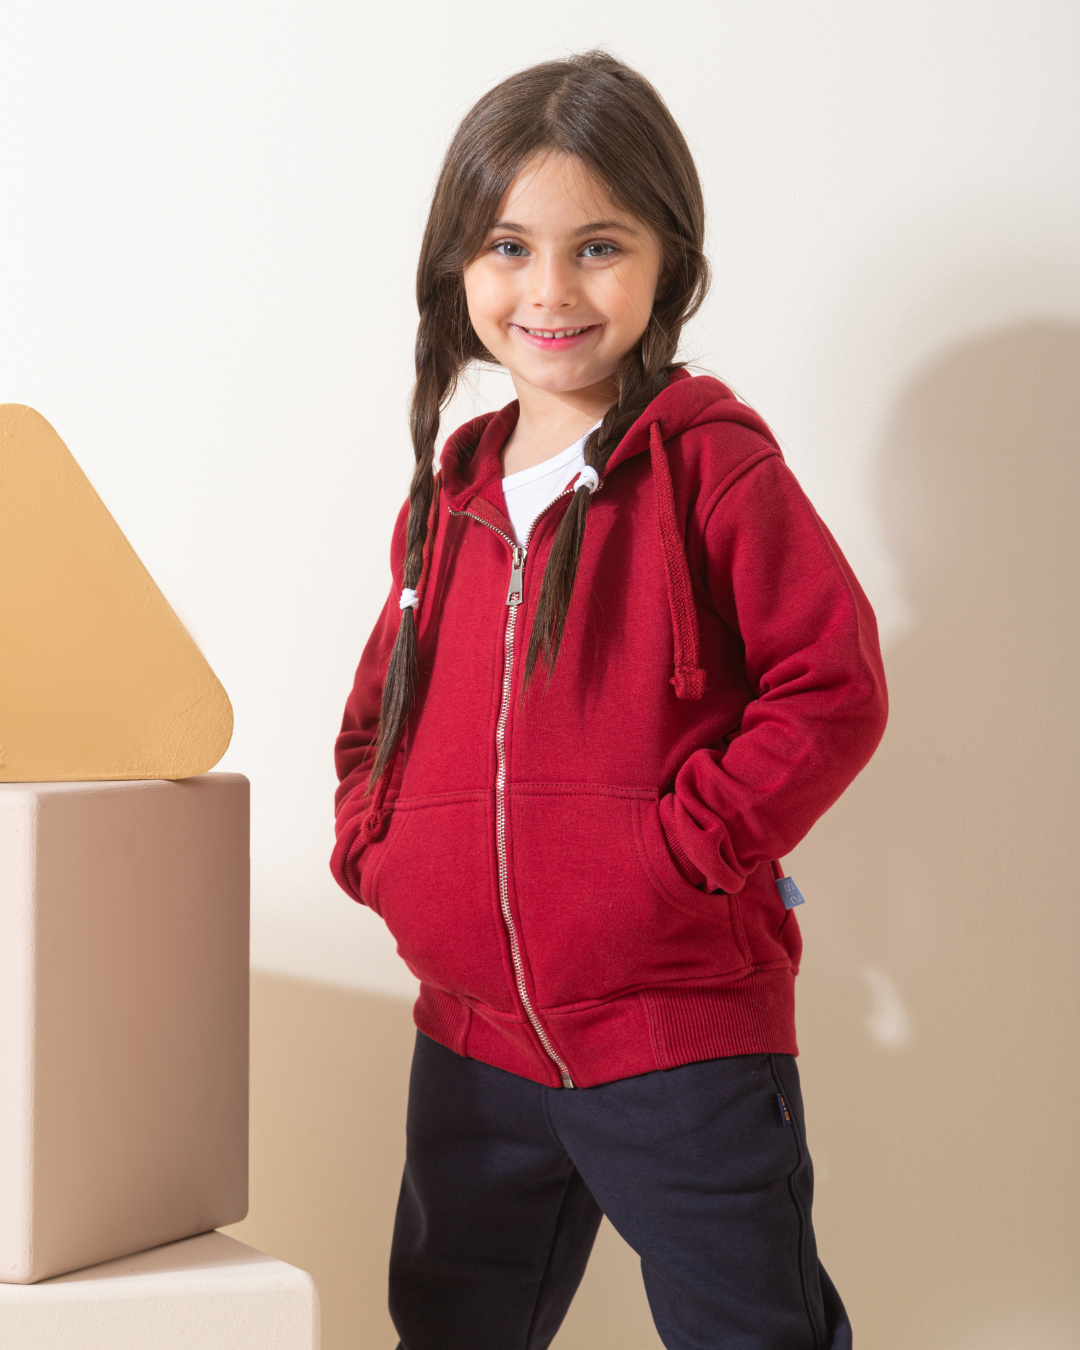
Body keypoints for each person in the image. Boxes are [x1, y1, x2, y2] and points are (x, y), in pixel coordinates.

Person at [331, 50, 887, 1350]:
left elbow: (833, 683)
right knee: (451, 1328)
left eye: (597, 246)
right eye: (509, 246)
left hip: (675, 1034)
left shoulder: (710, 466)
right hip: (471, 1042)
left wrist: (682, 851)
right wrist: (381, 851)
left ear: (666, 262)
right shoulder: (447, 502)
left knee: (750, 1329)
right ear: (459, 267)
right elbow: (372, 723)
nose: (550, 289)